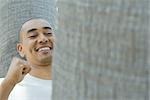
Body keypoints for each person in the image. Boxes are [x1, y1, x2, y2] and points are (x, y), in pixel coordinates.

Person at [0, 18, 55, 100]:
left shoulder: (76, 83)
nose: (43, 39)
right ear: (20, 49)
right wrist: (9, 83)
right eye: (33, 36)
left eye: (48, 33)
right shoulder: (5, 85)